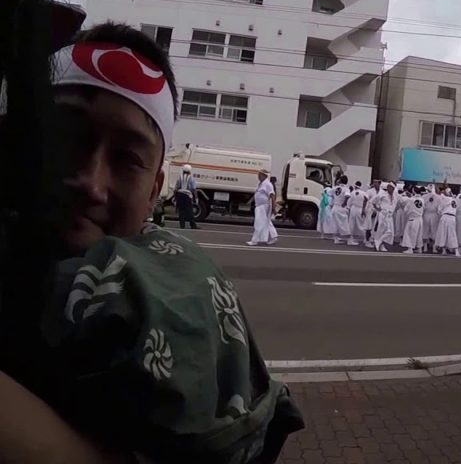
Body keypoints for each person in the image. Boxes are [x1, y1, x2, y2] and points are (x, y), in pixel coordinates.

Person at [42, 23, 303, 460]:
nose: (91, 182)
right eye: (68, 138)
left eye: (127, 159)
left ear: (153, 190)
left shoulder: (180, 296)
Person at [248, 168, 279, 246]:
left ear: (264, 176)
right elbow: (257, 193)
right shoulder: (261, 184)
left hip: (263, 206)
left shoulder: (268, 184)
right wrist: (251, 200)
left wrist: (274, 208)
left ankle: (254, 240)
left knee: (259, 222)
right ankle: (274, 236)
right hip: (259, 206)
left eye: (259, 175)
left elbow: (272, 196)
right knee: (266, 222)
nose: (258, 176)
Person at [371, 182, 397, 252]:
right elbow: (373, 201)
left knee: (390, 232)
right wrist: (377, 209)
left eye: (391, 187)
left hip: (389, 216)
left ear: (393, 188)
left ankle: (379, 241)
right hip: (382, 215)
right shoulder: (382, 194)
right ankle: (380, 245)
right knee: (381, 230)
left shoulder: (395, 196)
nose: (389, 188)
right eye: (388, 187)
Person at [173, 163, 199, 229]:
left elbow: (176, 188)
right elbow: (194, 189)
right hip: (187, 196)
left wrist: (175, 197)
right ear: (190, 171)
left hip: (180, 195)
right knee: (189, 211)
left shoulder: (180, 177)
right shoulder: (191, 178)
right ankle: (193, 225)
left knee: (181, 211)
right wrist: (196, 198)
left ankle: (182, 225)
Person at [331, 176, 351, 245]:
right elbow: (347, 196)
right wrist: (344, 203)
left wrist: (334, 200)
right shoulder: (346, 189)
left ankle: (336, 239)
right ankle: (349, 240)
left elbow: (329, 194)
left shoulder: (335, 188)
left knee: (335, 224)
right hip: (341, 208)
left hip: (335, 207)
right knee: (345, 224)